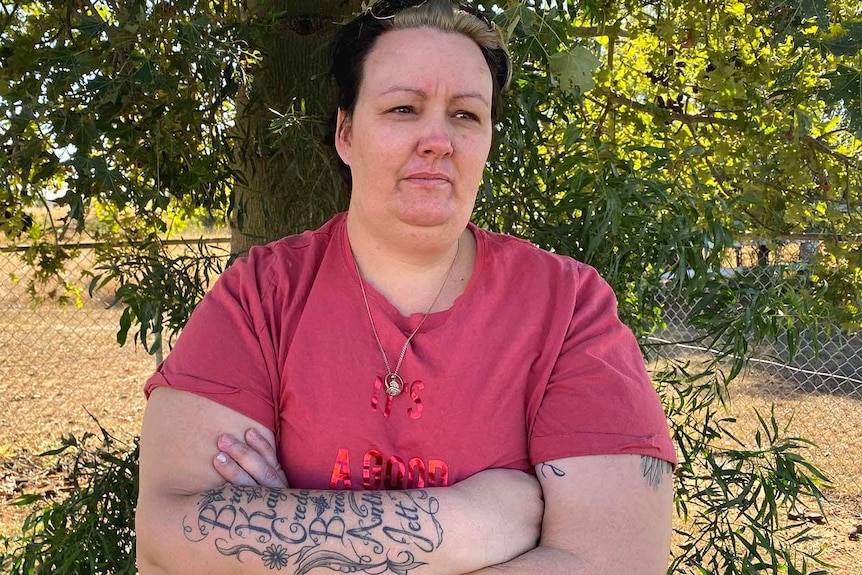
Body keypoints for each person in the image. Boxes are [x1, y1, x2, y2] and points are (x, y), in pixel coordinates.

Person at [135, 1, 677, 573]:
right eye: (403, 108)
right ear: (346, 133)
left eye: (466, 115)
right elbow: (167, 539)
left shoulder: (567, 308)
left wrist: (287, 529)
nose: (438, 139)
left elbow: (614, 563)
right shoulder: (262, 297)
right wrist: (472, 521)